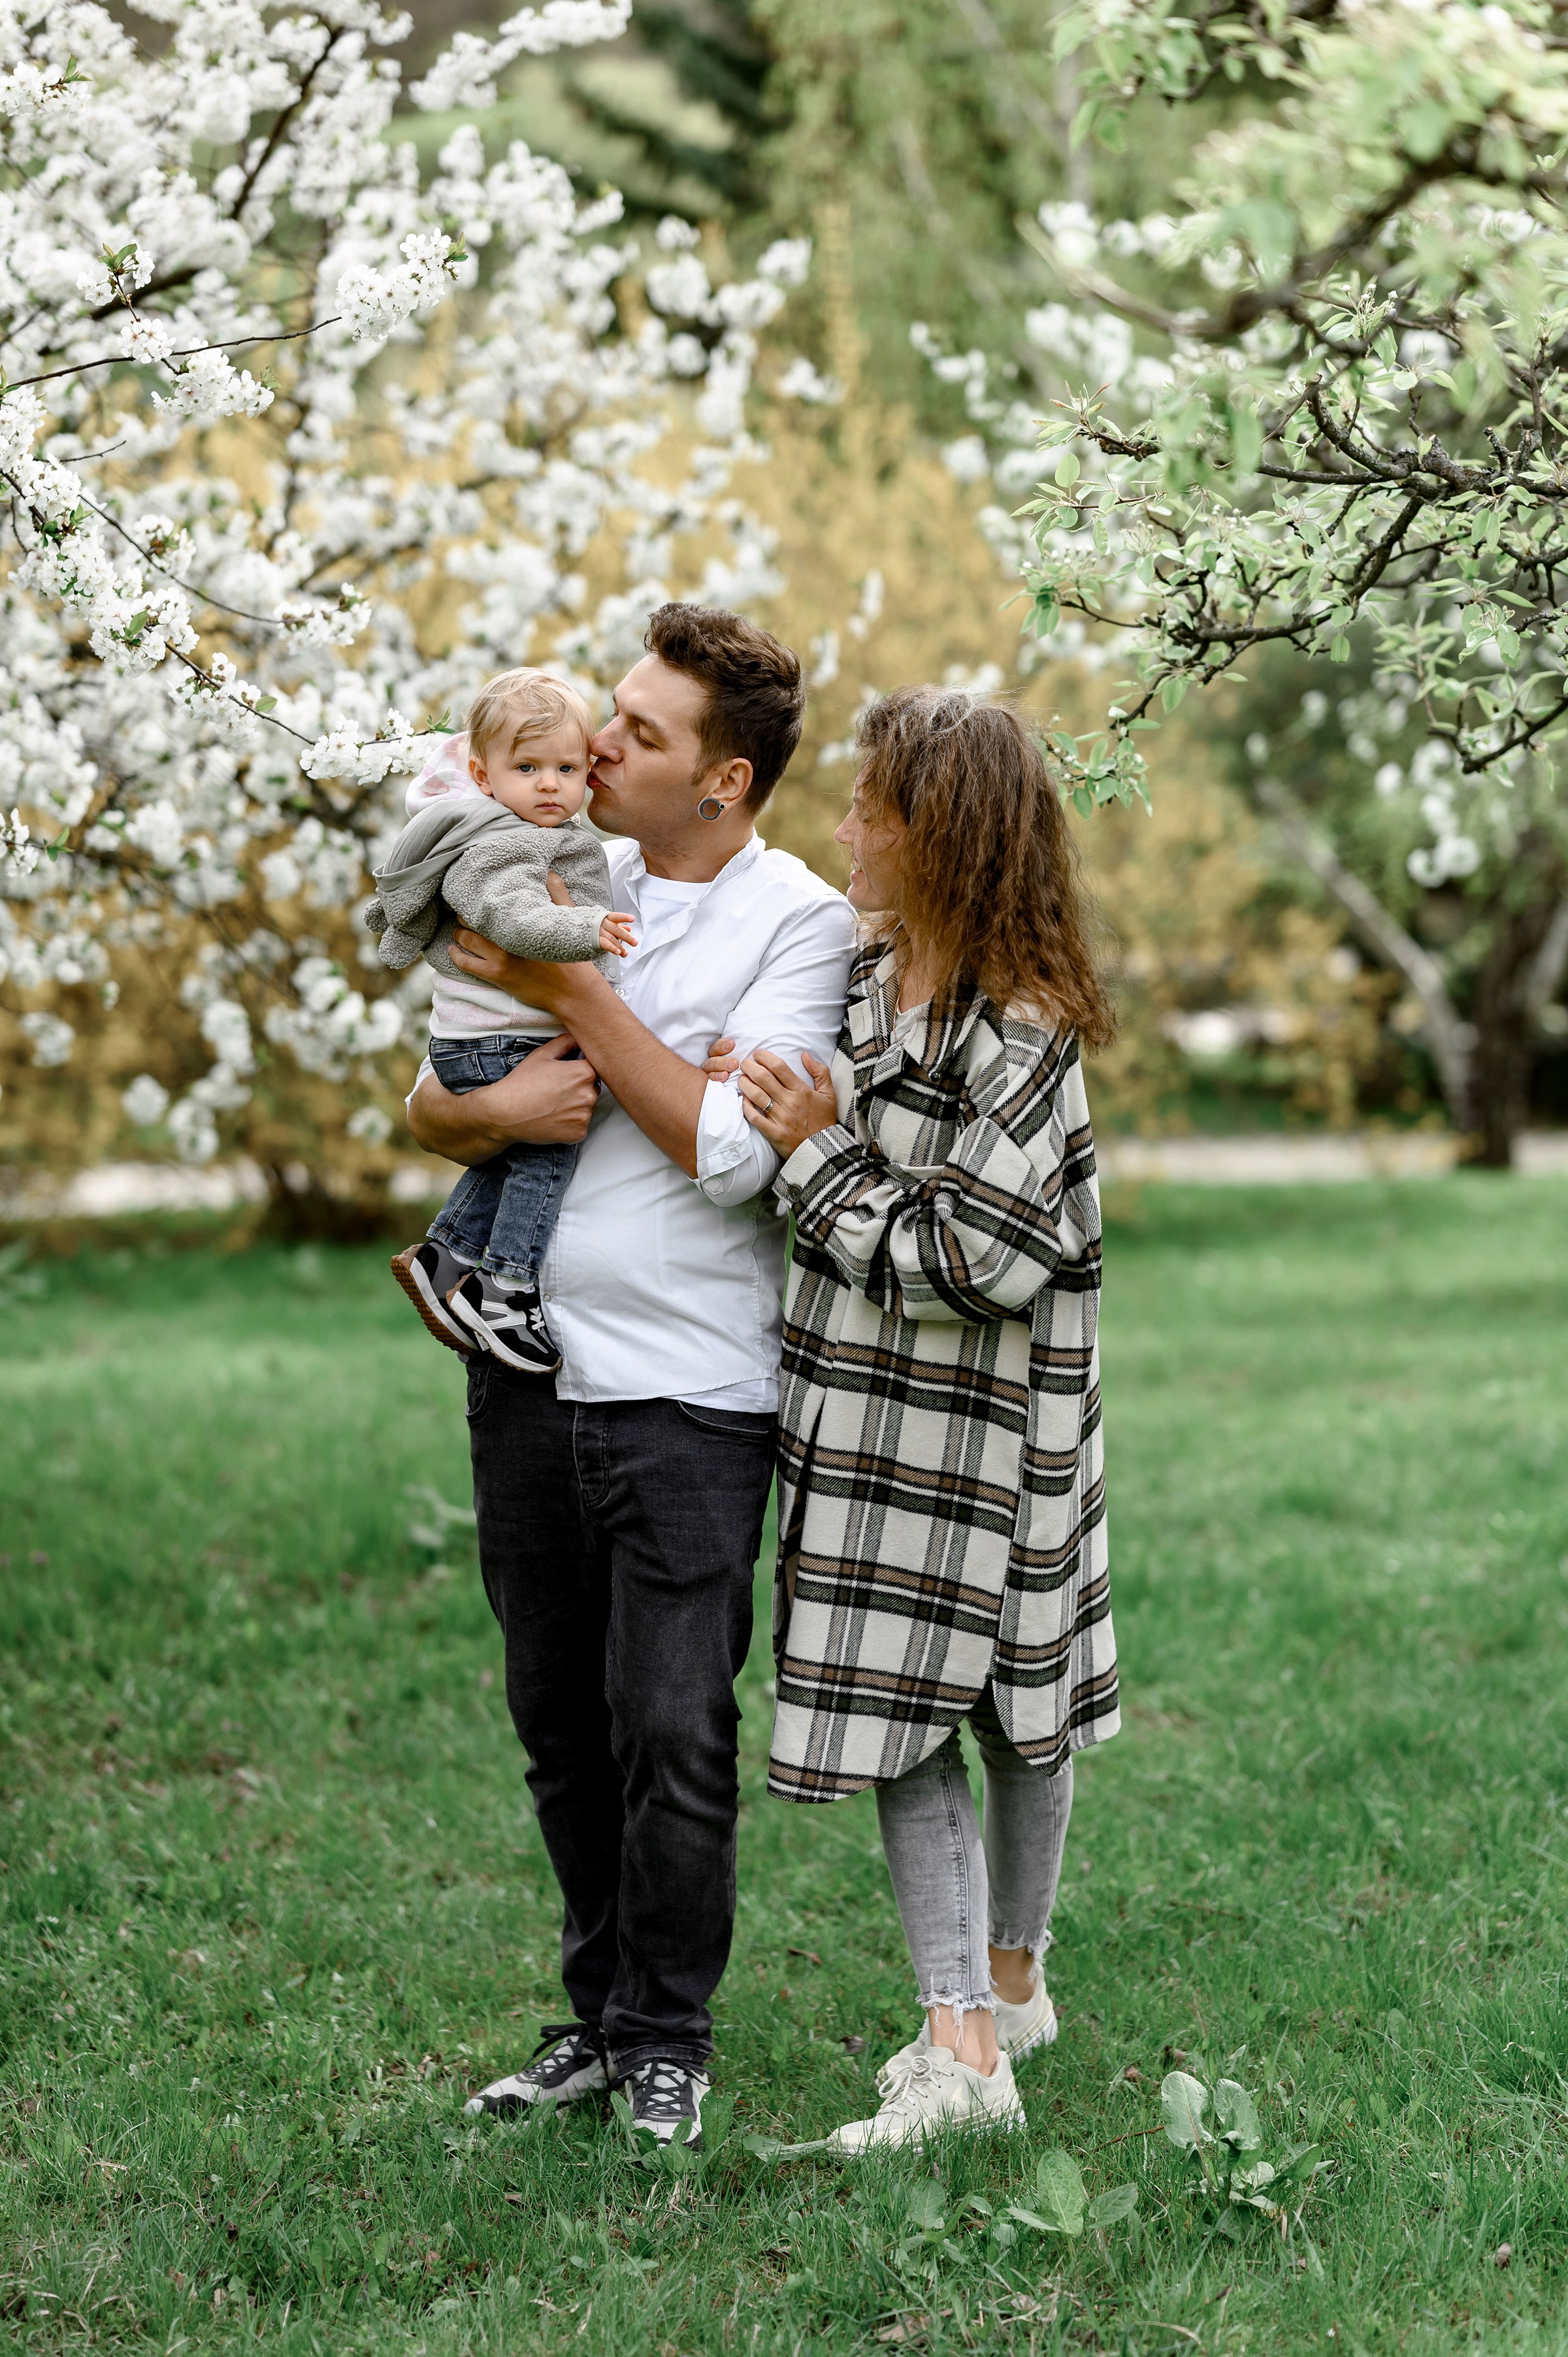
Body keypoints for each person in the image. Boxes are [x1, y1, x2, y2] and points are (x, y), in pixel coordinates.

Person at [404, 604, 857, 2145]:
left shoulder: (796, 922)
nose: (595, 744)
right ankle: (597, 2018)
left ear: (723, 783)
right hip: (524, 1368)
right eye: (605, 712)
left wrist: (576, 1001)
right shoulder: (538, 859)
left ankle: (669, 2032)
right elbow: (427, 1093)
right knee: (554, 1717)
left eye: (640, 733)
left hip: (688, 1387)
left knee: (671, 1725)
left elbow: (733, 1157)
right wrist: (507, 1100)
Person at [716, 686, 1119, 2154]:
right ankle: (969, 2030)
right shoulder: (860, 978)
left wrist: (813, 1158)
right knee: (903, 1725)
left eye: (866, 808)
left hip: (994, 1437)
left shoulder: (1020, 1035)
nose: (840, 829)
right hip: (867, 1423)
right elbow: (789, 1104)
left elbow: (979, 1261)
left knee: (1020, 1713)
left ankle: (1003, 2003)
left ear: (935, 837)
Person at [374, 668, 637, 1372]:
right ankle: (506, 1288)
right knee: (550, 1145)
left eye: (566, 768)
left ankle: (447, 1252)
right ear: (483, 776)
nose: (550, 785)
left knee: (525, 1143)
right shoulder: (502, 839)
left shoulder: (521, 827)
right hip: (497, 1043)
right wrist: (586, 929)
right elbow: (510, 915)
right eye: (528, 768)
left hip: (486, 1039)